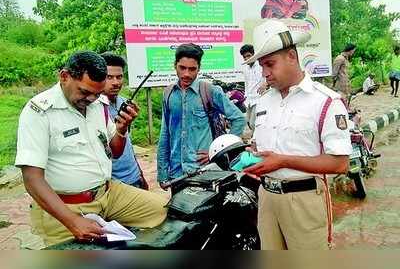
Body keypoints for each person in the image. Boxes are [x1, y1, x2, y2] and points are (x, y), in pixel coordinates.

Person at [15, 51, 167, 246]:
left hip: (109, 193)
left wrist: (121, 130)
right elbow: (32, 179)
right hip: (67, 206)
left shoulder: (99, 104)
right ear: (64, 77)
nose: (91, 99)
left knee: (167, 210)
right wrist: (73, 221)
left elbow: (116, 152)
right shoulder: (39, 112)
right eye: (85, 92)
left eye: (97, 93)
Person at [243, 20, 352, 250]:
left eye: (270, 64)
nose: (265, 73)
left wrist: (283, 161)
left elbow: (340, 163)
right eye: (262, 66)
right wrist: (253, 157)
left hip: (303, 200)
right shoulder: (264, 101)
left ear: (292, 56)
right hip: (267, 197)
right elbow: (261, 146)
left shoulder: (325, 102)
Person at [157, 43, 246, 189]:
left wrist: (220, 153)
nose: (186, 74)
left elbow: (238, 118)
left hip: (204, 171)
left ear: (199, 68)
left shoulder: (210, 91)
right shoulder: (168, 93)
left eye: (192, 69)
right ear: (175, 66)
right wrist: (162, 173)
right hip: (176, 173)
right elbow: (165, 133)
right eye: (182, 68)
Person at [101, 52, 149, 189]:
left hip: (134, 177)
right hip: (113, 184)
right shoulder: (93, 108)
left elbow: (128, 143)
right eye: (109, 77)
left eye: (119, 77)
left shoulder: (125, 103)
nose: (115, 82)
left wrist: (139, 173)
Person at [240, 44, 268, 134]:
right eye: (244, 57)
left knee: (254, 123)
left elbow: (270, 76)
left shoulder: (261, 65)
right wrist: (245, 98)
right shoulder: (245, 68)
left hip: (259, 98)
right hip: (249, 99)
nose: (246, 58)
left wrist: (266, 84)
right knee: (247, 122)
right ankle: (255, 139)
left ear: (253, 54)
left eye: (248, 55)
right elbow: (246, 84)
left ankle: (256, 141)